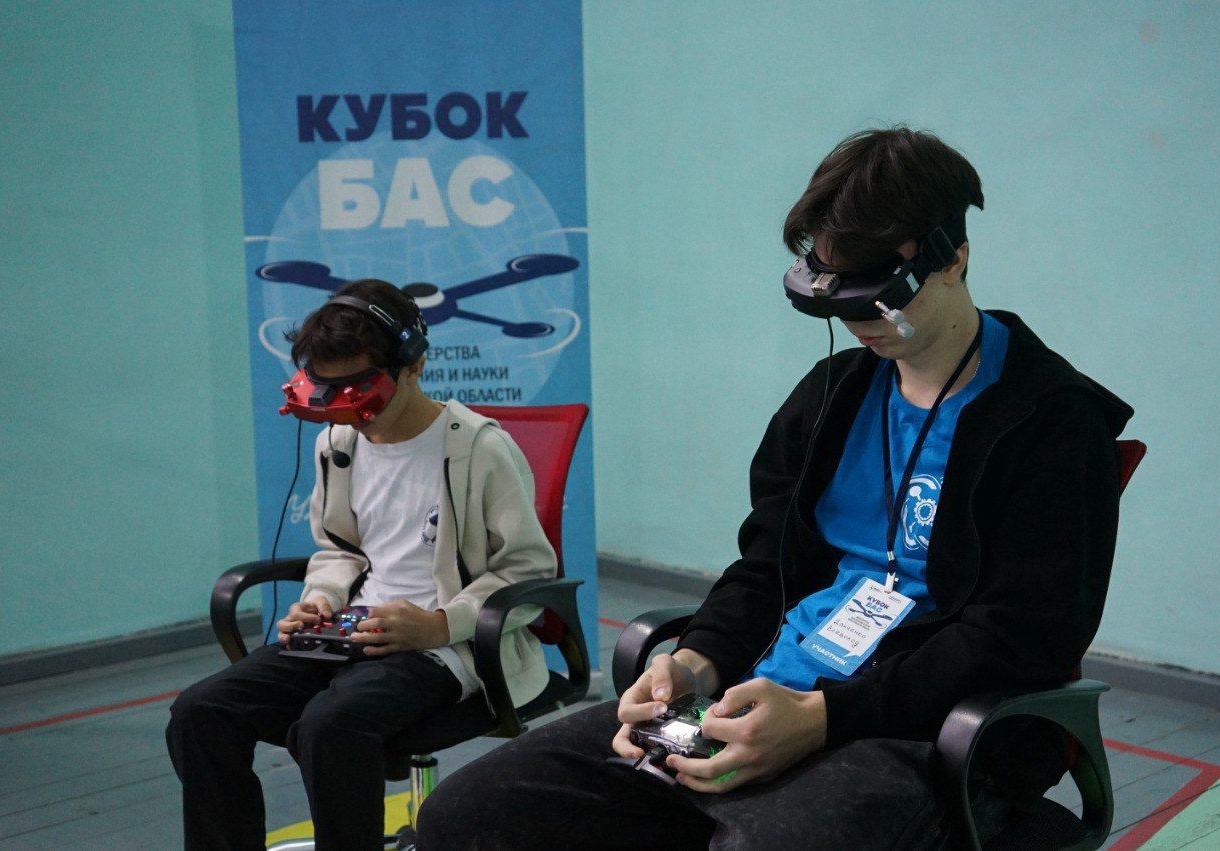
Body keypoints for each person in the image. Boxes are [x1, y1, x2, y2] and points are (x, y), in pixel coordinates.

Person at [415, 127, 1134, 849]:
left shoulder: (1051, 423)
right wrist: (694, 661)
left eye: (876, 300)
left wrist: (822, 718)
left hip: (909, 727)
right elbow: (767, 568)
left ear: (953, 258)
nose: (857, 323)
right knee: (467, 814)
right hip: (757, 693)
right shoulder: (831, 398)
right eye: (839, 301)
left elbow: (1019, 637)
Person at [166, 278, 556, 849]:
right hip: (353, 626)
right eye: (330, 390)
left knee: (330, 725)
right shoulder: (338, 445)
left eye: (361, 389)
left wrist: (439, 625)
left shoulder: (478, 449)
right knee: (201, 711)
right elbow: (341, 550)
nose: (348, 408)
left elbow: (528, 571)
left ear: (414, 365)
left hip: (446, 645)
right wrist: (320, 599)